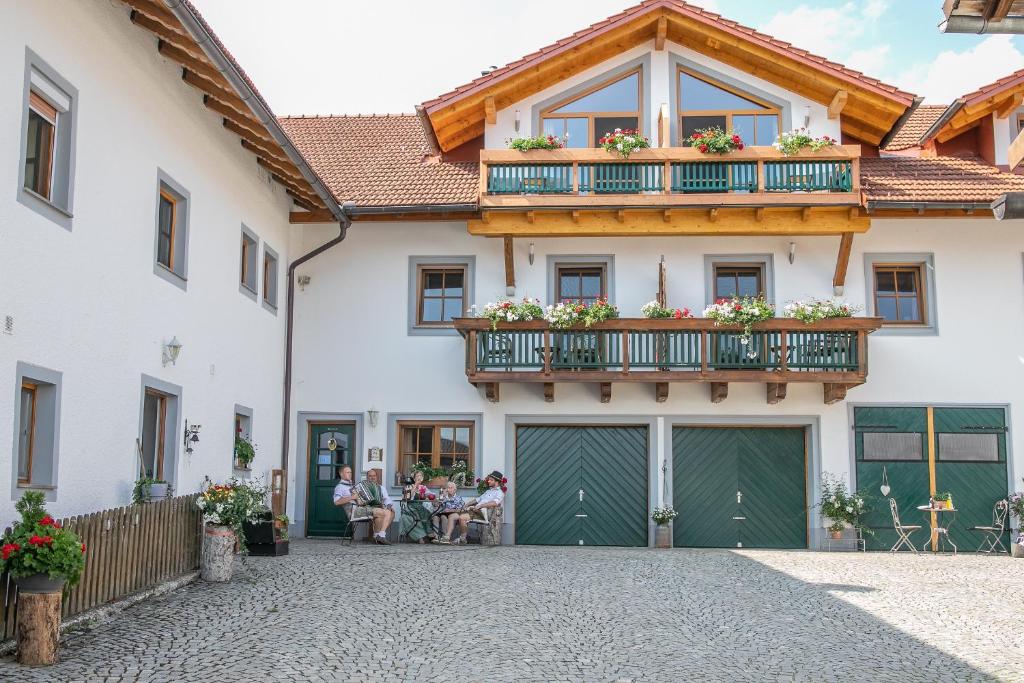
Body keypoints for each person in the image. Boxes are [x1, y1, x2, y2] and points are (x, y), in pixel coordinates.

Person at [332, 466, 394, 545]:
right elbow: (336, 502)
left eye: (350, 472)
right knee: (386, 512)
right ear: (341, 474)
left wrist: (361, 500)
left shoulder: (351, 485)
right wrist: (352, 497)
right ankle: (381, 535)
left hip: (361, 509)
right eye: (347, 472)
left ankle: (377, 536)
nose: (350, 474)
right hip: (354, 512)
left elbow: (358, 500)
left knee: (384, 513)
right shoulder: (340, 487)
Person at [455, 470, 505, 543]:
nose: (488, 481)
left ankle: (463, 538)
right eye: (489, 479)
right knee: (457, 514)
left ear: (497, 482)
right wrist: (467, 504)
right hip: (477, 511)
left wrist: (481, 506)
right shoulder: (488, 491)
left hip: (484, 514)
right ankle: (461, 537)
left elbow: (495, 503)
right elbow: (477, 499)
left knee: (462, 517)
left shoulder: (500, 493)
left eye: (491, 480)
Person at [399, 470, 434, 544]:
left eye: (421, 476)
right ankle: (420, 537)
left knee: (426, 513)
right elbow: (407, 498)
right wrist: (415, 485)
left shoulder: (423, 488)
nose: (419, 477)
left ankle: (430, 534)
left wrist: (431, 497)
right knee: (411, 517)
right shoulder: (408, 486)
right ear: (414, 478)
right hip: (410, 507)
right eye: (417, 476)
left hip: (420, 507)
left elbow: (431, 495)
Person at [431, 480, 466, 545]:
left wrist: (450, 510)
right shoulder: (444, 497)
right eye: (448, 488)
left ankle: (445, 537)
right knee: (435, 517)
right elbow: (435, 505)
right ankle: (436, 537)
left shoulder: (458, 498)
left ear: (455, 489)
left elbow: (461, 509)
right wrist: (436, 500)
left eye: (451, 488)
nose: (449, 489)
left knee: (444, 517)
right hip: (441, 513)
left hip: (451, 514)